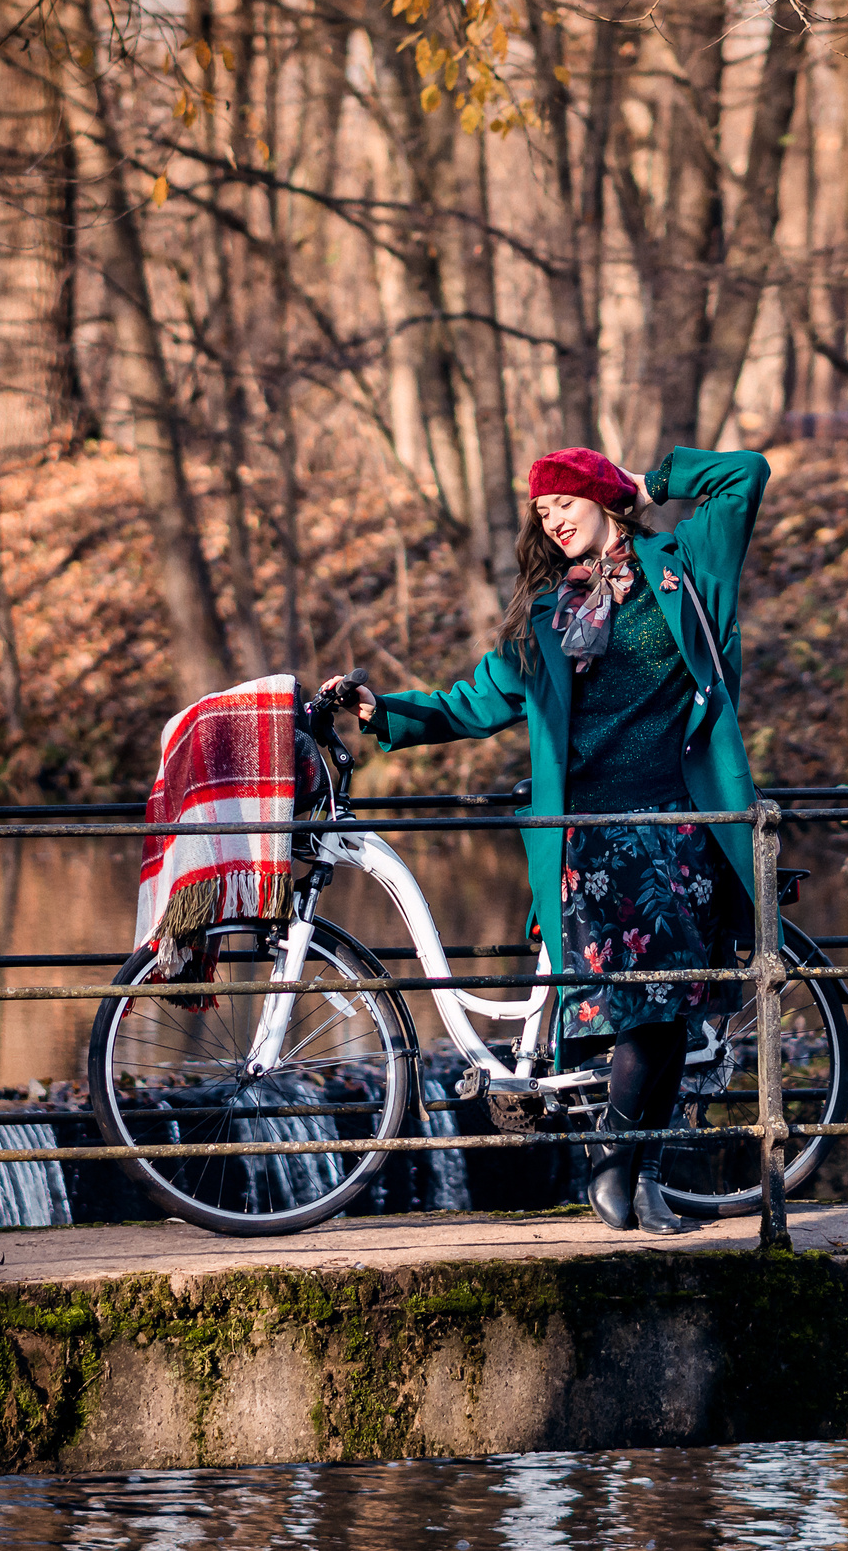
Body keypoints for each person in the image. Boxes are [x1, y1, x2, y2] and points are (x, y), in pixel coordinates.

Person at [323, 445, 769, 1235]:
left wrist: (651, 482)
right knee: (650, 1009)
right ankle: (621, 1162)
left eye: (565, 500)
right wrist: (381, 710)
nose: (554, 519)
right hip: (589, 839)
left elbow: (746, 475)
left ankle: (639, 1167)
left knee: (672, 1012)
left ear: (602, 499)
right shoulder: (548, 614)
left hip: (681, 822)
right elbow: (473, 702)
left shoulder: (684, 564)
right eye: (542, 512)